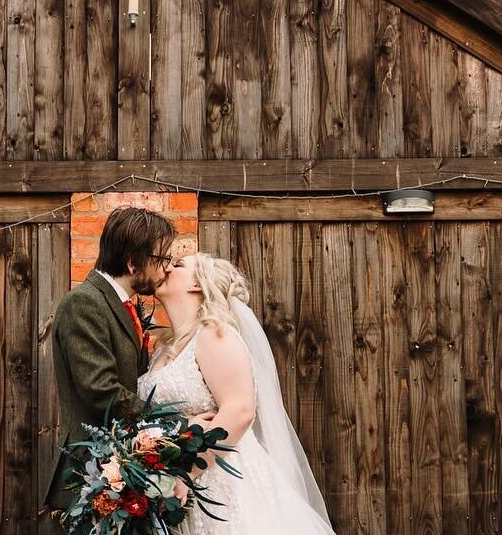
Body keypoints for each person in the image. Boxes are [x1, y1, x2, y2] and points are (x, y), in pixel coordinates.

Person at [139, 252, 337, 535]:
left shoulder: (213, 334)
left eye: (179, 265)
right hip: (176, 485)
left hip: (220, 483)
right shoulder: (162, 350)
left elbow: (240, 410)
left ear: (197, 284)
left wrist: (186, 471)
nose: (168, 267)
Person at [44, 206, 179, 526]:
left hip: (126, 468)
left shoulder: (124, 305)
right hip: (93, 474)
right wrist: (172, 423)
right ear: (133, 262)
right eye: (160, 260)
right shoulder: (84, 302)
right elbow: (100, 390)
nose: (166, 269)